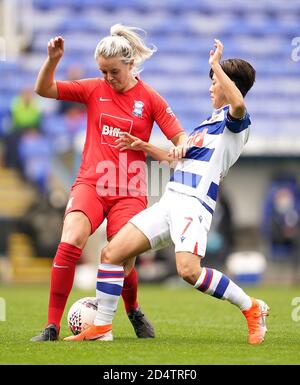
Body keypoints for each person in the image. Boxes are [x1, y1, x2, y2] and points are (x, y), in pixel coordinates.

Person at [64, 39, 270, 345]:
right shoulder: (208, 124)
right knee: (112, 252)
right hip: (170, 200)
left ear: (229, 85)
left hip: (193, 204)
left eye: (214, 82)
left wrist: (215, 65)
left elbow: (238, 104)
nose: (211, 88)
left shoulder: (236, 122)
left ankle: (251, 307)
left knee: (188, 271)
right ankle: (102, 328)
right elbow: (178, 158)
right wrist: (144, 146)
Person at [30, 24, 186, 342]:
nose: (108, 78)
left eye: (113, 71)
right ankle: (51, 327)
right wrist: (53, 60)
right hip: (91, 183)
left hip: (129, 191)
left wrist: (181, 144)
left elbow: (179, 136)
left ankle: (133, 311)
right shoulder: (92, 89)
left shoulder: (151, 99)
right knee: (71, 238)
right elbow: (44, 90)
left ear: (129, 65)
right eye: (103, 71)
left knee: (119, 255)